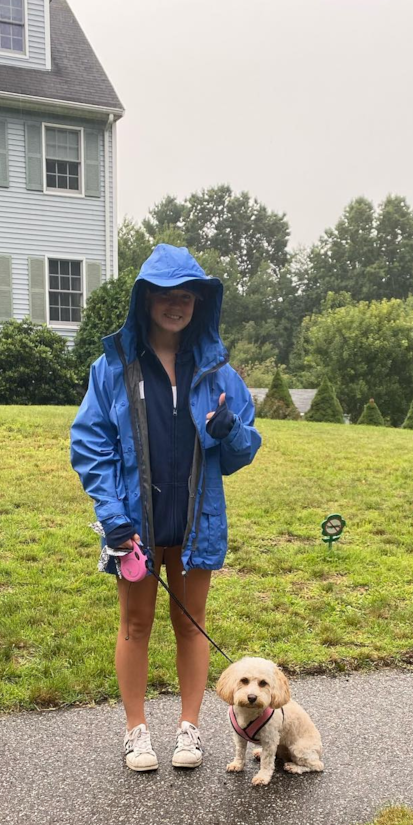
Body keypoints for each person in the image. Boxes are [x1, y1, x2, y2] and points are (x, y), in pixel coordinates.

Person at [70, 244, 262, 772]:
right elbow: (91, 444)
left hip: (195, 519)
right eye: (165, 295)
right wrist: (111, 514)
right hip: (134, 521)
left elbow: (244, 448)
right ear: (145, 299)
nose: (176, 305)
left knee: (192, 623)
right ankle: (136, 731)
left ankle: (190, 728)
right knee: (135, 624)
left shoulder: (218, 373)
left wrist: (231, 431)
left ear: (200, 303)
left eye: (187, 296)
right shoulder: (114, 369)